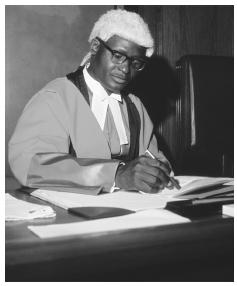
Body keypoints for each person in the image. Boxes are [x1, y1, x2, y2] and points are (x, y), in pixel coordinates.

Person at [8, 9, 174, 195]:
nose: (126, 69)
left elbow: (155, 158)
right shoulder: (55, 97)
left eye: (136, 63)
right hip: (67, 216)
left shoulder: (135, 106)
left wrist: (158, 172)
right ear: (95, 46)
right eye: (118, 55)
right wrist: (116, 174)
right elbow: (30, 165)